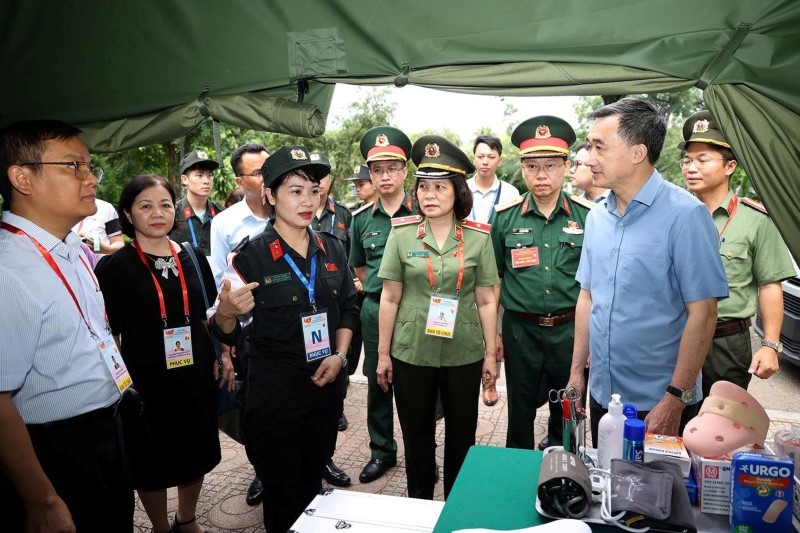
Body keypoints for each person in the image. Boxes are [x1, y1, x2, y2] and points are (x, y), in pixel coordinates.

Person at [210, 145, 357, 533]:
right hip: (275, 395)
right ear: (270, 196)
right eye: (295, 191)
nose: (308, 200)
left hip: (324, 387)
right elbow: (225, 330)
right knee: (282, 494)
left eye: (314, 190)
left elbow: (348, 308)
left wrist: (340, 356)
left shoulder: (332, 247)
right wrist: (226, 311)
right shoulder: (248, 257)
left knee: (312, 485)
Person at [567, 98, 729, 439]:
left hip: (658, 402)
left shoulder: (686, 216)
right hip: (603, 394)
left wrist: (675, 399)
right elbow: (587, 297)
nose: (589, 158)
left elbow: (703, 314)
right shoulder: (596, 216)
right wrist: (577, 373)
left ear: (637, 153)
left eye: (599, 147)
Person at [0, 119, 133, 531]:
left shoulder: (71, 246)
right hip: (56, 450)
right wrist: (40, 499)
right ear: (22, 178)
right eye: (74, 166)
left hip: (108, 427)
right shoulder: (9, 269)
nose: (90, 178)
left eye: (90, 167)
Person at [95, 174, 223, 533]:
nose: (157, 213)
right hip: (144, 382)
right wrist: (120, 384)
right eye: (145, 205)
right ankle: (160, 527)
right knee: (149, 461)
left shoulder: (193, 257)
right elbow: (108, 333)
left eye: (165, 204)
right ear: (128, 214)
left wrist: (221, 356)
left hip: (195, 374)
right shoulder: (114, 267)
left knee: (195, 451)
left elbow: (207, 315)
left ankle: (187, 517)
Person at [377, 134, 499, 499]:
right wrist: (382, 354)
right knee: (416, 434)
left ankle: (455, 503)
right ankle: (419, 503)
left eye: (439, 187)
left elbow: (486, 301)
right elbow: (390, 297)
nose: (429, 195)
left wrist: (491, 354)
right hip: (412, 350)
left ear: (457, 192)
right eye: (423, 187)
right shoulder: (401, 235)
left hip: (464, 351)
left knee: (462, 434)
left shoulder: (478, 238)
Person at [488, 116, 593, 450]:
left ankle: (565, 470)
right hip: (521, 332)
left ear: (566, 167)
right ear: (522, 170)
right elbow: (494, 280)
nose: (541, 174)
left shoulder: (588, 216)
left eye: (550, 165)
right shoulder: (504, 217)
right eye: (532, 166)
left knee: (568, 409)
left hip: (570, 330)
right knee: (519, 410)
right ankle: (518, 468)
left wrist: (592, 340)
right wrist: (496, 335)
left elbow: (597, 285)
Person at [679, 110, 794, 398]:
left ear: (730, 166)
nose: (691, 167)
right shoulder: (673, 215)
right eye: (687, 160)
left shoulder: (756, 220)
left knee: (720, 419)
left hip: (726, 343)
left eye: (702, 159)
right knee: (670, 418)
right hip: (675, 336)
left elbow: (769, 284)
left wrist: (770, 346)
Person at [349, 126, 417, 484]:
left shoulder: (425, 211)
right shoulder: (361, 219)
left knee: (419, 383)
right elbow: (360, 269)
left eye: (392, 168)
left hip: (417, 308)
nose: (385, 176)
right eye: (377, 170)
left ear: (405, 171)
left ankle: (420, 450)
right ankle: (382, 451)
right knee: (379, 382)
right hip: (375, 309)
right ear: (371, 175)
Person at [208, 142, 270, 506]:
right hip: (249, 333)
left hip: (296, 328)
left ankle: (319, 457)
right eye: (258, 172)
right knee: (256, 407)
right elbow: (220, 286)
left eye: (269, 169)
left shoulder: (292, 211)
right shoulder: (225, 223)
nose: (266, 178)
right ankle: (263, 470)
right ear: (239, 180)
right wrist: (225, 346)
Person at [309, 151, 354, 487]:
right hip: (286, 353)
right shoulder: (259, 246)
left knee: (328, 405)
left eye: (318, 181)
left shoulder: (343, 216)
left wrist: (340, 354)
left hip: (330, 321)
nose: (314, 190)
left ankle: (325, 458)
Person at [467, 134, 521, 407]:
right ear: (473, 159)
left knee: (495, 323)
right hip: (466, 268)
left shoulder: (511, 193)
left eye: (491, 156)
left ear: (500, 160)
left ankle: (490, 380)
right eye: (480, 156)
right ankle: (468, 376)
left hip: (498, 269)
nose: (485, 161)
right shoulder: (462, 189)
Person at [171, 149, 224, 256]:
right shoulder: (172, 214)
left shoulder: (222, 214)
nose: (206, 181)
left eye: (210, 175)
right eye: (199, 175)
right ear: (184, 179)